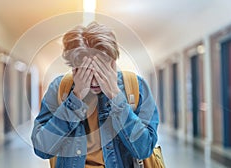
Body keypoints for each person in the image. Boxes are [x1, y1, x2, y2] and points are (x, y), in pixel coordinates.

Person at [31, 22, 159, 168]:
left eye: (100, 69)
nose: (93, 80)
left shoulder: (136, 87)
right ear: (73, 67)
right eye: (85, 70)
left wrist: (116, 97)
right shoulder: (60, 88)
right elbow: (42, 149)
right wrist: (75, 98)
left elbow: (144, 149)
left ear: (113, 63)